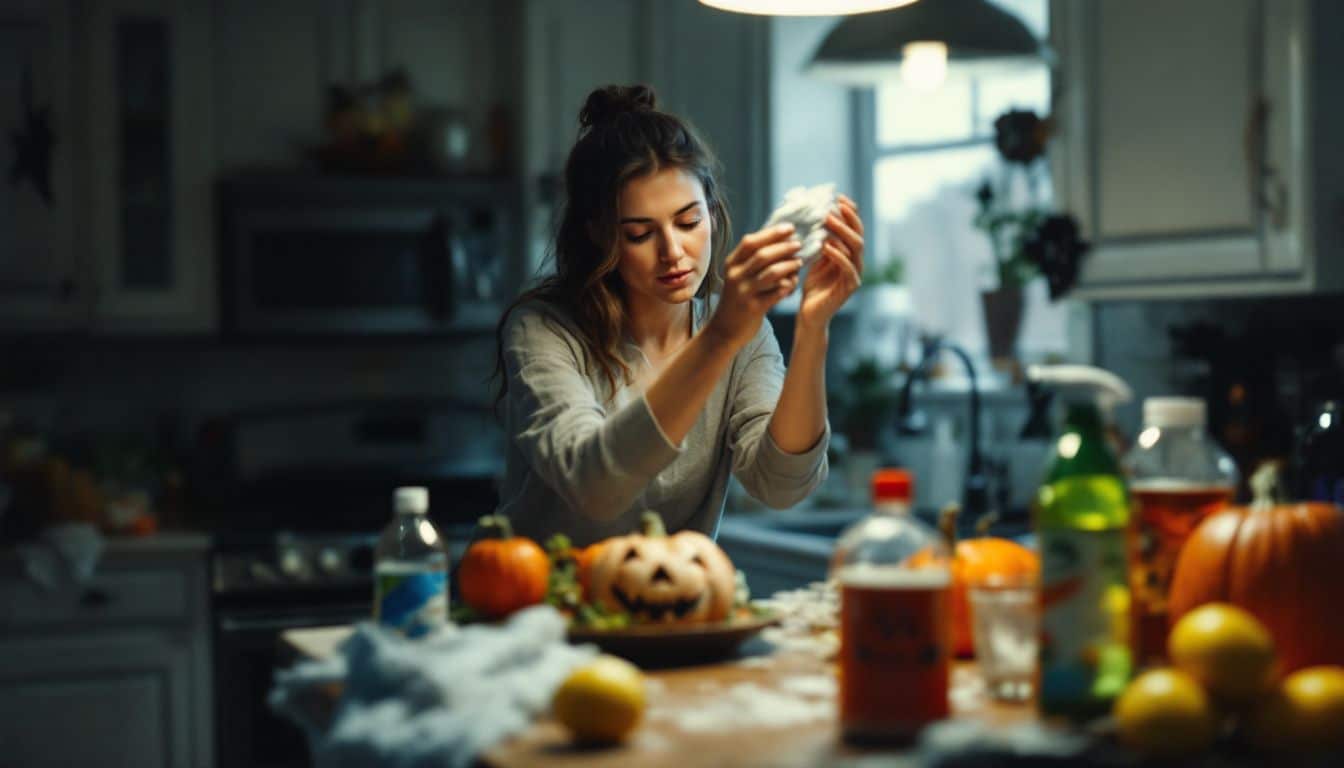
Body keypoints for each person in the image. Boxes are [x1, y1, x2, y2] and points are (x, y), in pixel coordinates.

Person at [492, 84, 865, 546]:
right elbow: (594, 486)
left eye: (688, 222)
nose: (673, 252)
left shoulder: (743, 334)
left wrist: (813, 328)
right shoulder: (543, 330)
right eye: (639, 234)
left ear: (711, 211)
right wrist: (720, 337)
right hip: (534, 609)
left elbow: (783, 484)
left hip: (669, 610)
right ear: (598, 235)